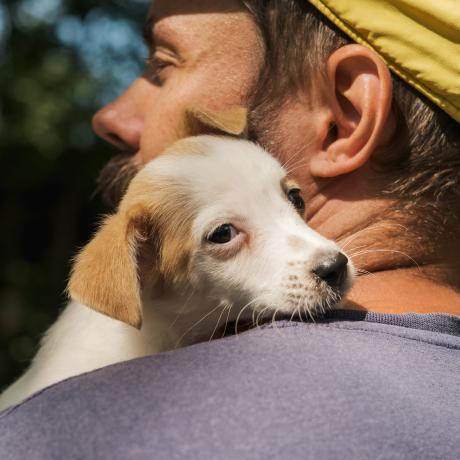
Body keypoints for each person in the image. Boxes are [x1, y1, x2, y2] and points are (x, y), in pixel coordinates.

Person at [1, 1, 459, 458]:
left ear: (344, 114)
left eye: (165, 65)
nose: (109, 118)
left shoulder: (64, 432)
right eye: (224, 234)